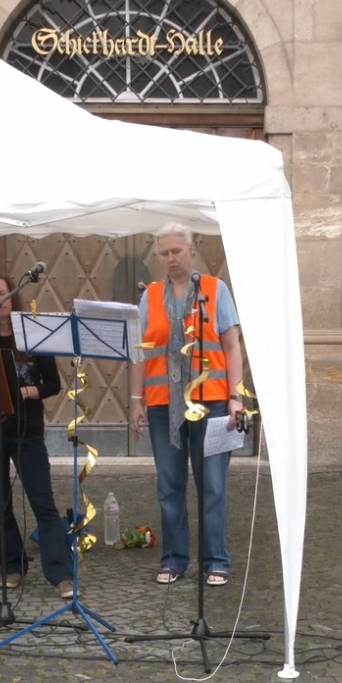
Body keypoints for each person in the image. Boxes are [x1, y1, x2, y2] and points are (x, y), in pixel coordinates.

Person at [129, 224, 248, 586]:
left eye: (175, 252)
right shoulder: (149, 297)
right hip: (164, 405)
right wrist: (136, 401)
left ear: (190, 249)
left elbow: (231, 347)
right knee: (169, 485)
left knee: (212, 485)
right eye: (163, 254)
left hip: (212, 403)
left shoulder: (214, 290)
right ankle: (174, 559)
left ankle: (216, 561)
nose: (170, 259)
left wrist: (236, 397)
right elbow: (139, 355)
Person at [0, 272, 74, 599]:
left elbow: (53, 384)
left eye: (3, 293)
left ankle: (60, 574)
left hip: (27, 429)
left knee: (41, 500)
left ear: (13, 297)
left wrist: (30, 390)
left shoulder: (33, 335)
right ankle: (12, 566)